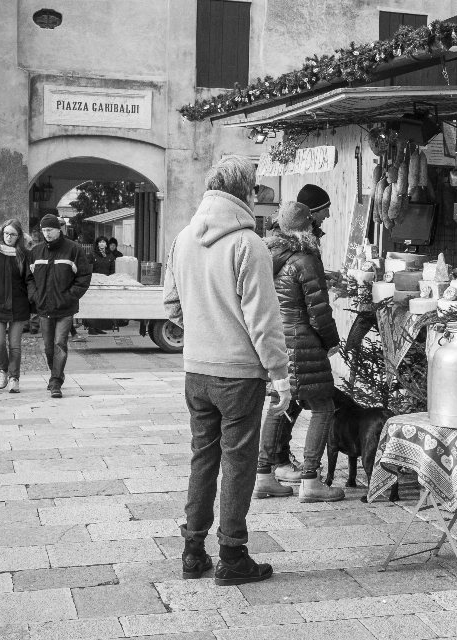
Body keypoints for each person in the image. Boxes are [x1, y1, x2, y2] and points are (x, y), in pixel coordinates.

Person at [163, 155, 291, 586]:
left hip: (196, 372)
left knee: (203, 459)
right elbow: (263, 317)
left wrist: (202, 331)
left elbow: (171, 305)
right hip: (239, 374)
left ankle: (192, 550)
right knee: (238, 463)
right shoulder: (247, 244)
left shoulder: (182, 238)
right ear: (245, 192)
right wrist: (280, 373)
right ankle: (233, 556)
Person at [255, 202, 343, 503]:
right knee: (323, 407)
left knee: (280, 404)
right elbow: (319, 312)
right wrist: (333, 341)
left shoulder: (268, 256)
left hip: (278, 341)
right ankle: (310, 480)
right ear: (306, 227)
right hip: (303, 342)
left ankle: (264, 477)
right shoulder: (305, 259)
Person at [27, 213, 92, 398]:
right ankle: (56, 373)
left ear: (59, 229)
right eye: (44, 230)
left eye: (50, 230)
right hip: (44, 307)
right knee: (48, 347)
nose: (46, 233)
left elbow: (84, 276)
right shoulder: (36, 251)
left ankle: (56, 382)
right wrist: (35, 296)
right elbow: (28, 278)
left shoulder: (73, 249)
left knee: (59, 343)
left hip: (65, 308)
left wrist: (70, 296)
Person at [0, 220, 32, 393]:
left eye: (12, 234)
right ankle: (3, 369)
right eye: (6, 234)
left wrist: (28, 295)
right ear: (1, 234)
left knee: (15, 345)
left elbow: (30, 278)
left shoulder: (24, 254)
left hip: (18, 304)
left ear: (19, 237)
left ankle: (14, 378)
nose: (8, 237)